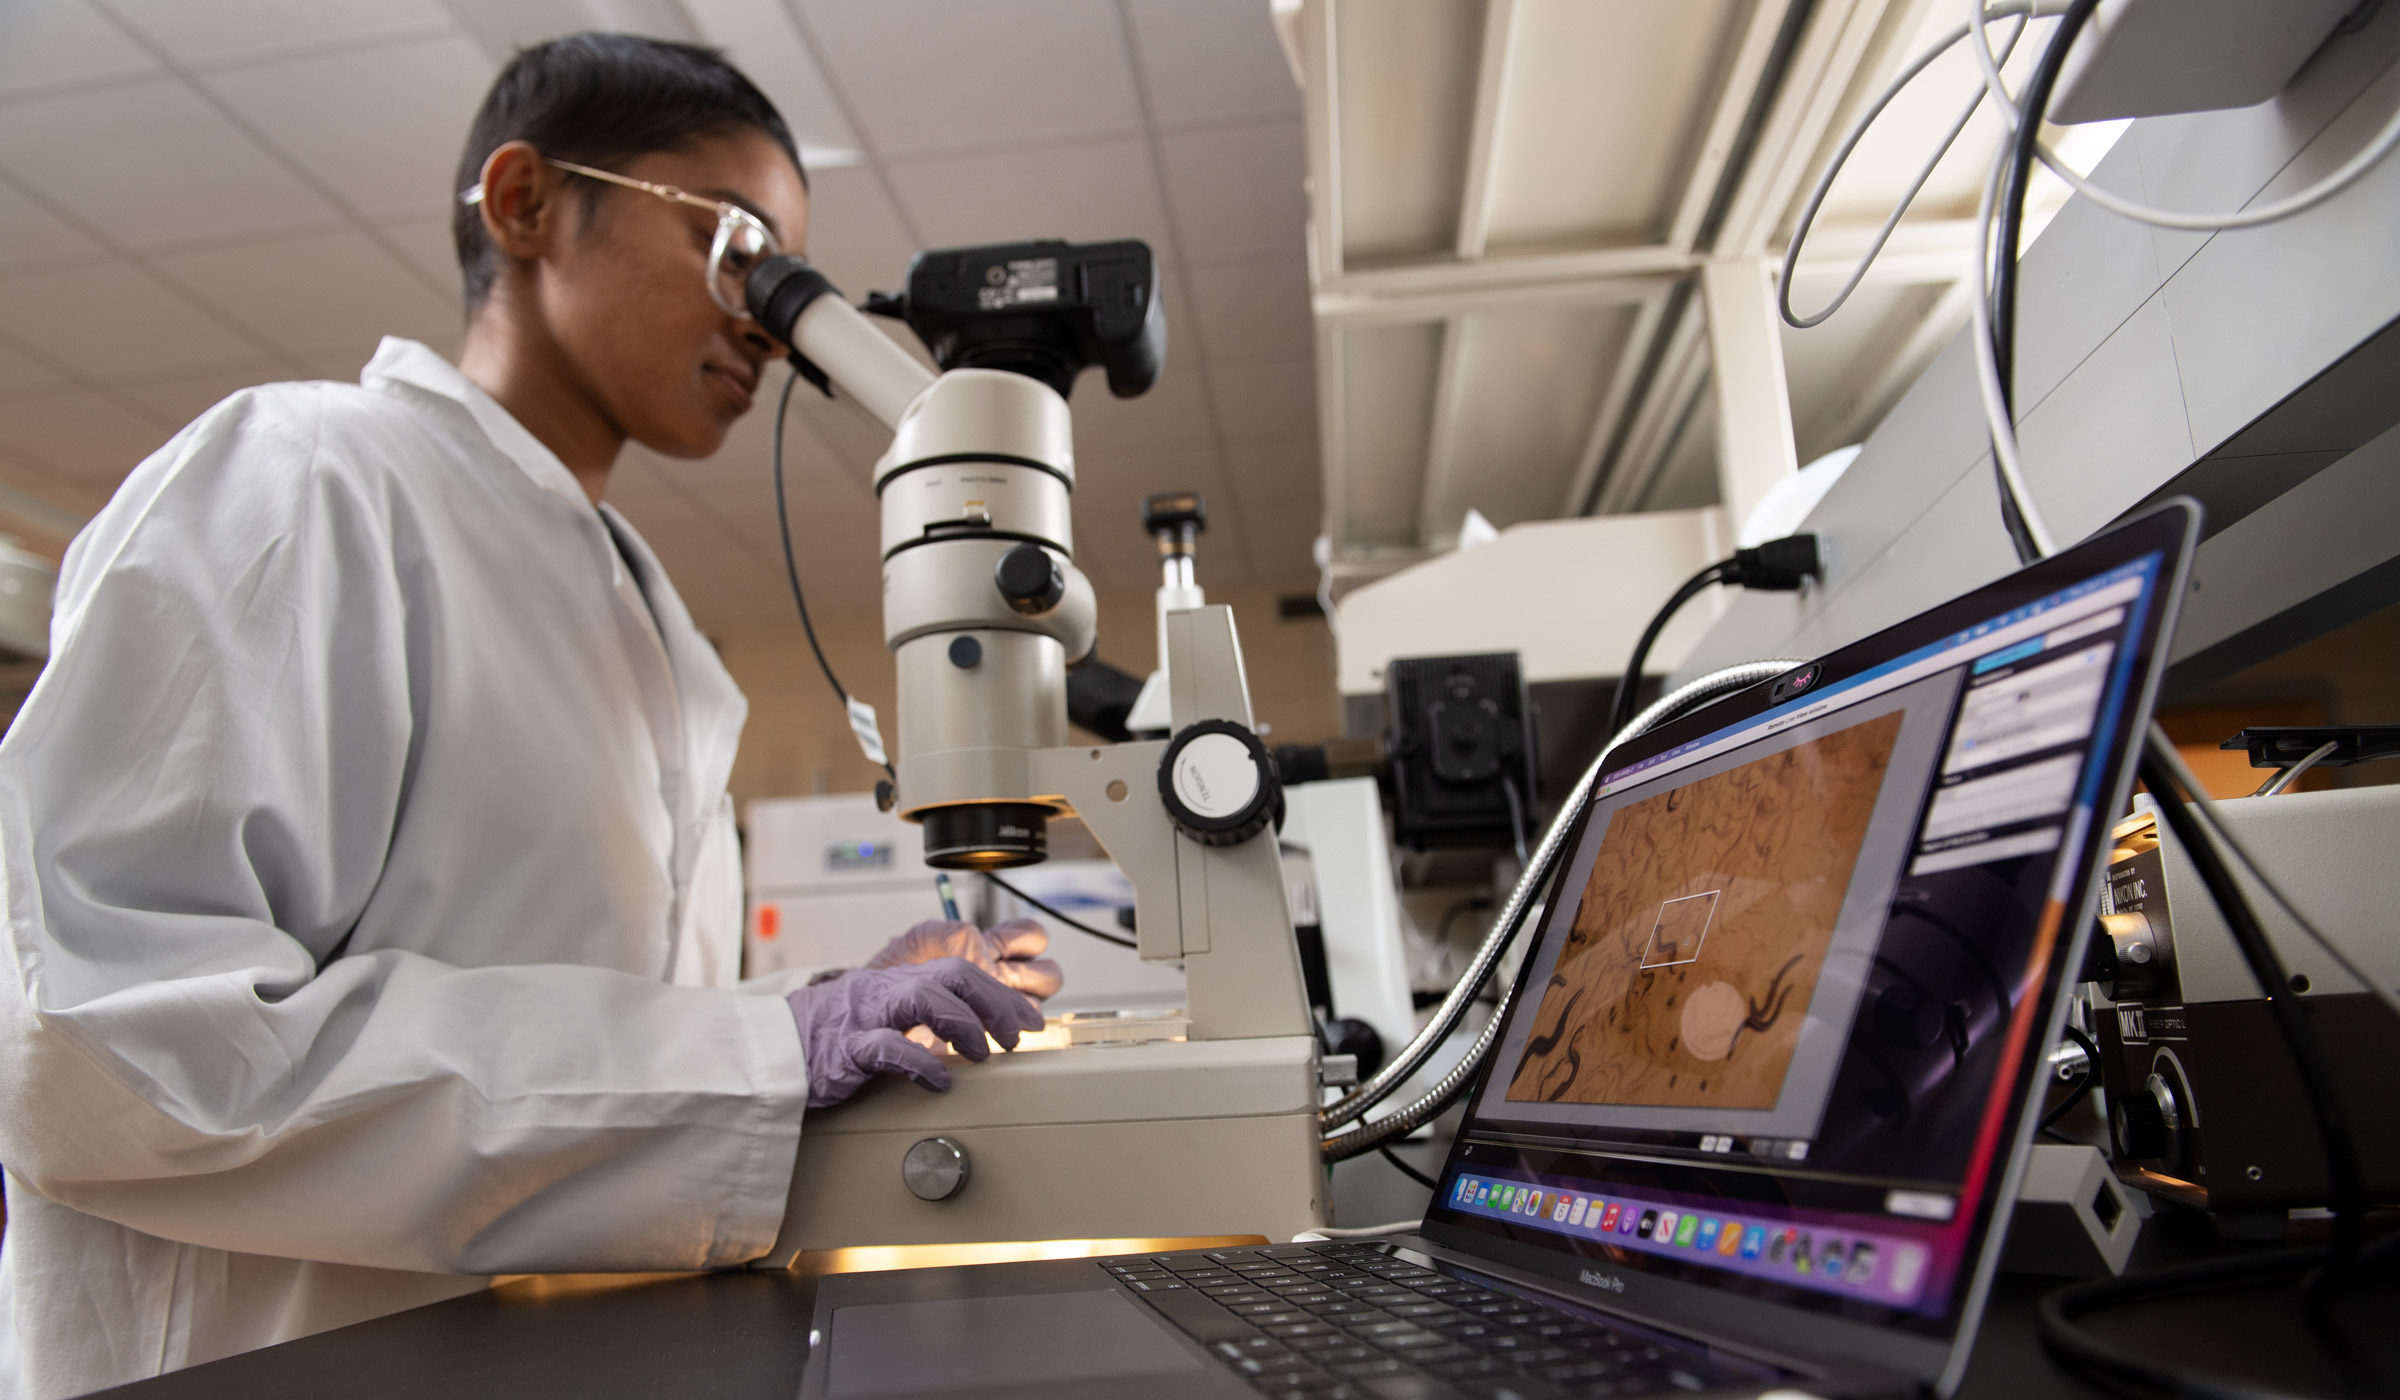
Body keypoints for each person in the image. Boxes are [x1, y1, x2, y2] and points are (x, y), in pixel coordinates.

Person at [0, 34, 1059, 1400]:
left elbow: (592, 1045)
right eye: (736, 248)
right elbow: (110, 1046)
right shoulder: (303, 484)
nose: (768, 319)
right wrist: (758, 1055)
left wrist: (812, 1022)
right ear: (525, 205)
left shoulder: (646, 622)